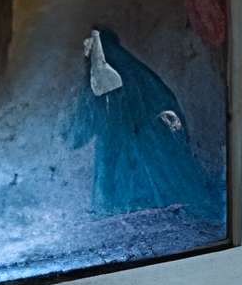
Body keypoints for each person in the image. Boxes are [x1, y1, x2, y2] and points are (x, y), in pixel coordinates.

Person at [65, 26, 221, 222]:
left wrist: (69, 135)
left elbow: (83, 125)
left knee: (130, 202)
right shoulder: (137, 75)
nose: (86, 52)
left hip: (125, 150)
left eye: (89, 47)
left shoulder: (111, 78)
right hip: (132, 146)